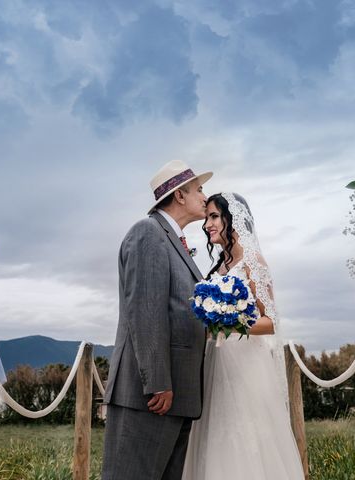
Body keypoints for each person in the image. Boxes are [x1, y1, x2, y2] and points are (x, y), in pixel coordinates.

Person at [102, 160, 212, 480]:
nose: (205, 196)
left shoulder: (173, 241)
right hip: (150, 396)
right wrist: (158, 381)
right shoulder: (148, 233)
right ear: (180, 196)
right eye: (199, 189)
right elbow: (146, 311)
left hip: (176, 396)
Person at [182, 192, 305, 480]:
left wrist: (230, 322)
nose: (207, 224)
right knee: (214, 434)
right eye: (208, 217)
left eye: (214, 216)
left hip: (246, 367)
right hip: (215, 361)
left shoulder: (254, 261)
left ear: (232, 218)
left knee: (247, 437)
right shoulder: (219, 268)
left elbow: (270, 321)